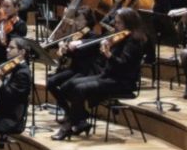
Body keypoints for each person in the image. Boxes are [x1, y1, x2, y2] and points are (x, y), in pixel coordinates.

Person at [55, 9, 147, 138]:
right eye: (115, 22)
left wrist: (108, 55)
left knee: (79, 88)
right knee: (68, 85)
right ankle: (80, 119)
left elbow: (123, 65)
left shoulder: (133, 41)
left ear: (128, 23)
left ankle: (68, 125)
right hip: (108, 76)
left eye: (118, 23)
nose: (115, 25)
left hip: (122, 81)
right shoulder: (118, 36)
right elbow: (103, 55)